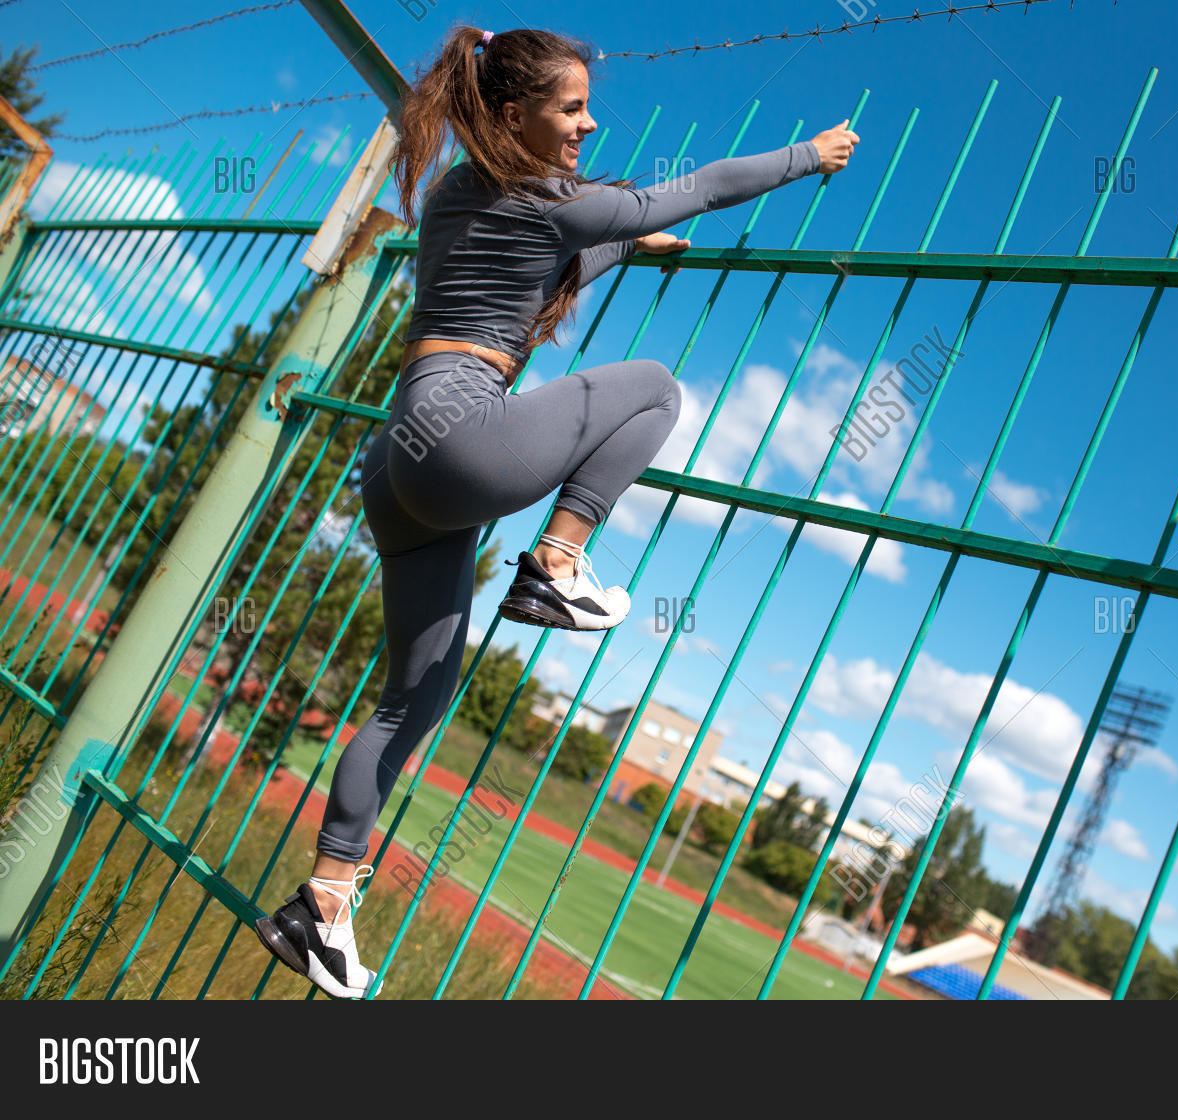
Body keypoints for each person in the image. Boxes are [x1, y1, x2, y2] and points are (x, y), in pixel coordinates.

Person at [253, 25, 858, 999]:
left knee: (411, 700)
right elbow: (697, 189)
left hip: (398, 457)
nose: (588, 124)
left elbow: (544, 258)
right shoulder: (545, 199)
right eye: (571, 108)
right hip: (463, 430)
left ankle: (320, 905)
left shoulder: (462, 194)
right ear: (511, 113)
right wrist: (808, 156)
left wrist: (622, 239)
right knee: (653, 387)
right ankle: (557, 564)